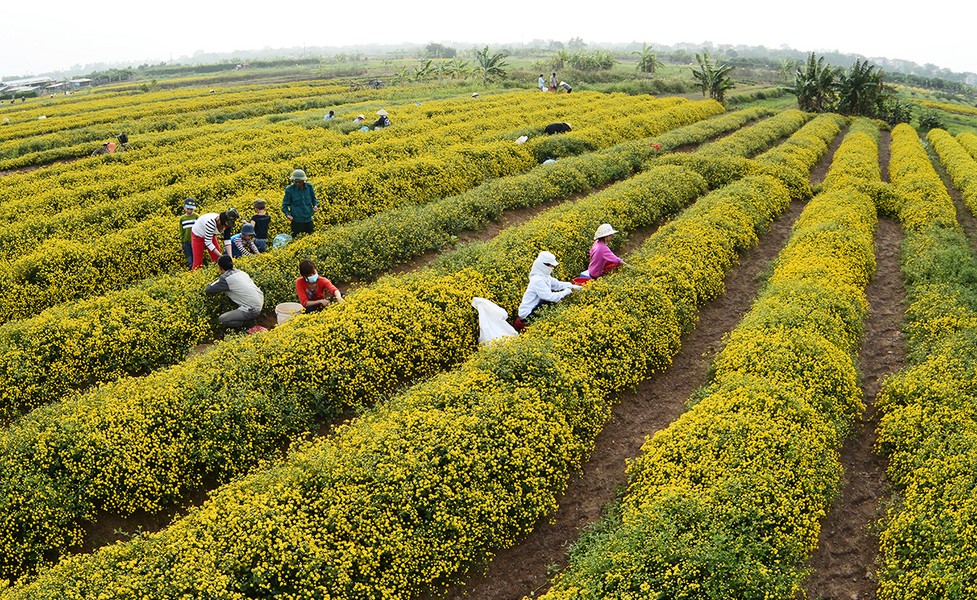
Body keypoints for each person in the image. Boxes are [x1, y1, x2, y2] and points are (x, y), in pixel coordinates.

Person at [516, 251, 580, 327]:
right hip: (528, 314)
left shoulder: (545, 276)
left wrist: (573, 286)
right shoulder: (538, 280)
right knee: (552, 303)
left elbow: (558, 285)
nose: (552, 268)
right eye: (551, 266)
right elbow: (549, 297)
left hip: (537, 306)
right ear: (543, 265)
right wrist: (566, 292)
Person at [205, 255, 264, 329]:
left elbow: (208, 289)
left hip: (252, 309)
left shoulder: (225, 278)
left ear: (220, 268)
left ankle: (248, 323)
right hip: (260, 301)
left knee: (222, 319)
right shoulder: (240, 272)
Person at [282, 169, 318, 236]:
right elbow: (284, 205)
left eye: (300, 182)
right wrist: (287, 214)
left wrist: (315, 205)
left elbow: (314, 198)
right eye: (296, 182)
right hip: (297, 221)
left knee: (311, 238)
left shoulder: (309, 187)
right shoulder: (289, 190)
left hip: (309, 219)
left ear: (304, 180)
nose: (298, 183)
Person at [179, 198, 199, 269]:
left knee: (195, 255)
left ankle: (197, 268)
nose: (190, 211)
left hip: (195, 240)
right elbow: (181, 231)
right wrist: (181, 243)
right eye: (188, 209)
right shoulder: (182, 218)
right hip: (186, 242)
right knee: (189, 256)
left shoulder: (196, 216)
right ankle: (192, 268)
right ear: (184, 207)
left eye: (191, 209)